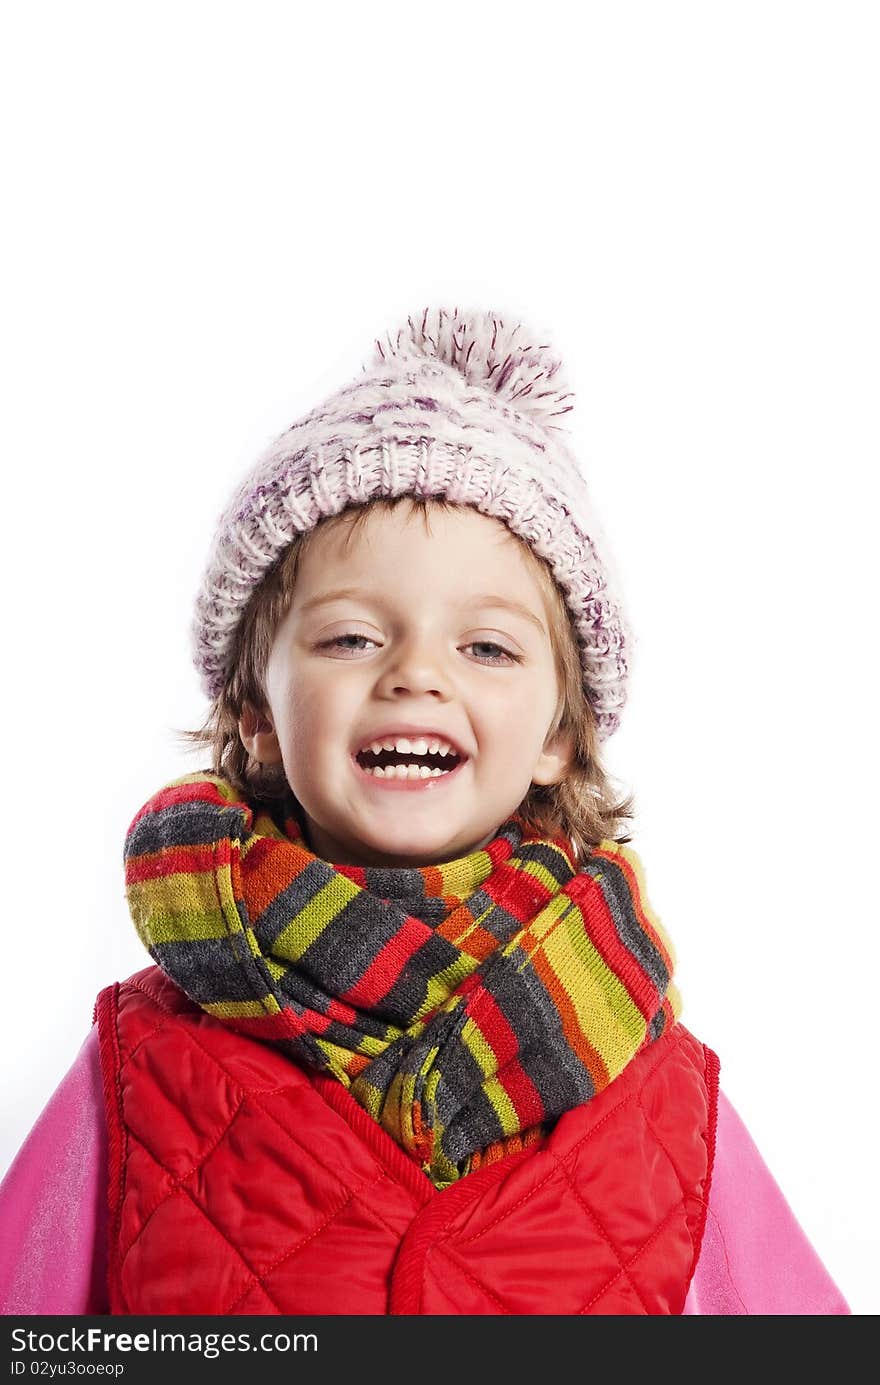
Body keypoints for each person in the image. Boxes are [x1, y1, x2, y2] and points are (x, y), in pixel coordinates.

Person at [0, 307, 849, 1316]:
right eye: (352, 637)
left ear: (557, 736)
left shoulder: (665, 1092)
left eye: (485, 647)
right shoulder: (138, 1065)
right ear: (257, 714)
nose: (414, 674)